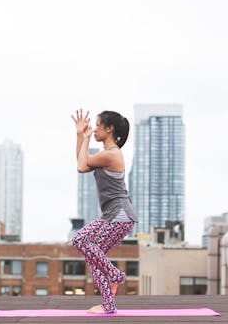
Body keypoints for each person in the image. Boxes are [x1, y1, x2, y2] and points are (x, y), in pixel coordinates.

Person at [70, 108, 138, 314]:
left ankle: (115, 274)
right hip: (115, 215)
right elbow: (81, 162)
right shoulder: (105, 155)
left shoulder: (111, 154)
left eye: (98, 125)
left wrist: (85, 137)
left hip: (120, 214)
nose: (95, 128)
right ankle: (108, 305)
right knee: (93, 256)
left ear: (109, 129)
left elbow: (82, 165)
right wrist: (80, 135)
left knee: (79, 240)